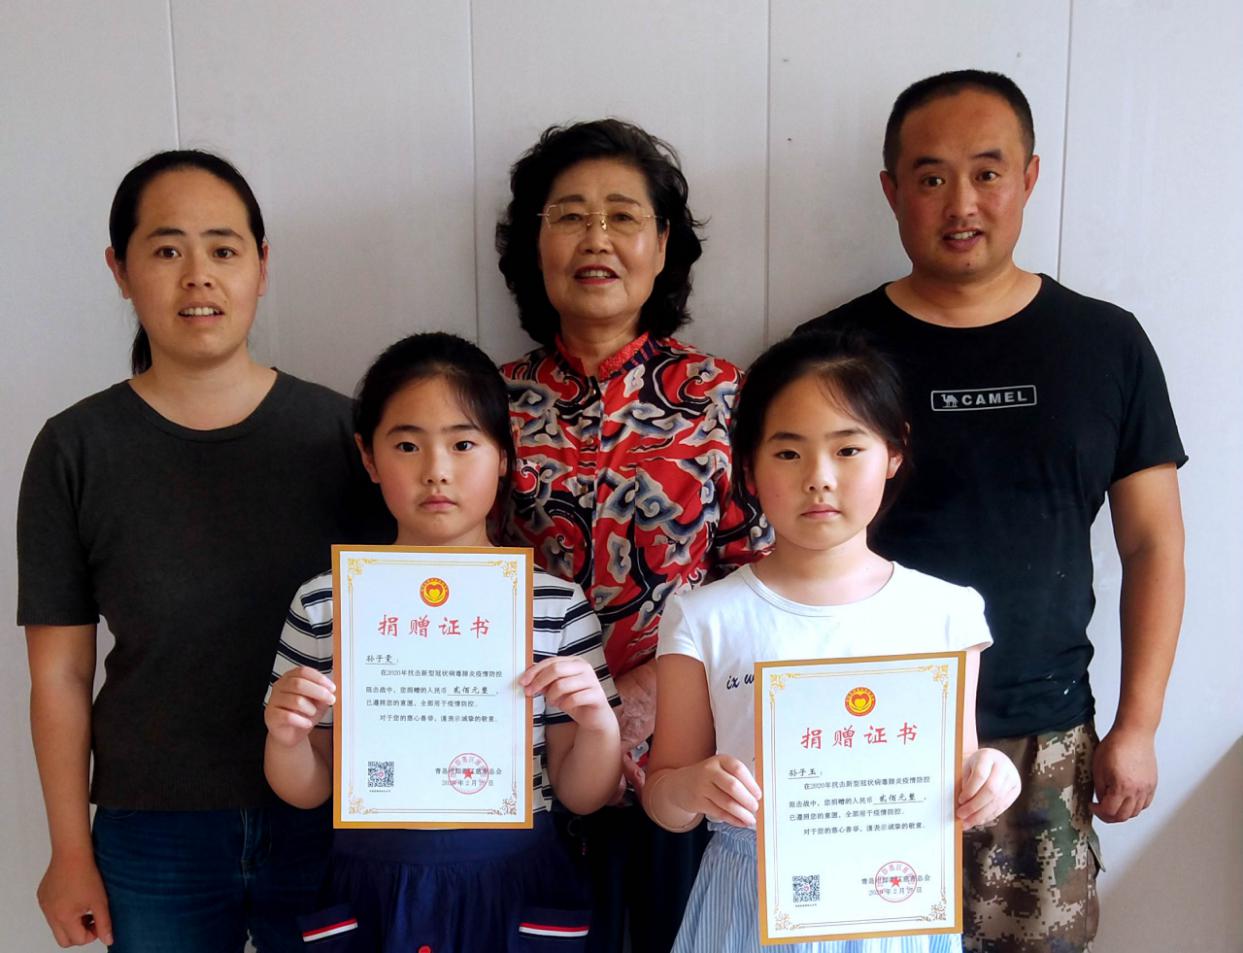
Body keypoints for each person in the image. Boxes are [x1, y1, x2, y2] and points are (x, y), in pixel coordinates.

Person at [796, 70, 1186, 952]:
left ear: (1029, 177)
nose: (960, 202)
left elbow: (1153, 544)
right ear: (891, 189)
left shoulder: (1105, 342)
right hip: (862, 729)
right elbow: (784, 539)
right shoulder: (831, 353)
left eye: (986, 171)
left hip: (1042, 734)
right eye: (930, 177)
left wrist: (1137, 726)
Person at [17, 150, 389, 952]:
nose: (199, 276)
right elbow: (60, 674)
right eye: (166, 249)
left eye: (224, 248)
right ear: (120, 270)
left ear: (261, 265)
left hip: (329, 809)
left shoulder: (345, 435)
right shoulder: (74, 448)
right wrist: (69, 851)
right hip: (154, 830)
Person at [643, 330, 1021, 953]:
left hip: (894, 906)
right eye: (789, 453)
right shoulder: (705, 617)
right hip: (749, 905)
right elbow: (662, 794)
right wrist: (690, 789)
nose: (819, 478)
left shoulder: (946, 613)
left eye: (847, 449)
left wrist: (994, 776)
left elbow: (959, 774)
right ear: (750, 467)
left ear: (893, 451)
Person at [495, 117, 771, 952]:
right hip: (518, 755)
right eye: (569, 215)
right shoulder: (486, 403)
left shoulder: (725, 398)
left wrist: (645, 699)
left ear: (662, 246)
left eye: (622, 215)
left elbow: (762, 577)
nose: (597, 238)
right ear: (534, 244)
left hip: (682, 757)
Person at [264, 331, 622, 951]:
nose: (436, 470)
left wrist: (597, 725)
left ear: (504, 455)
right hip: (374, 880)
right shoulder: (327, 602)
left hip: (515, 878)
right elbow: (308, 787)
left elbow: (582, 794)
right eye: (407, 445)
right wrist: (286, 736)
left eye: (463, 443)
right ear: (369, 458)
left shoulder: (555, 605)